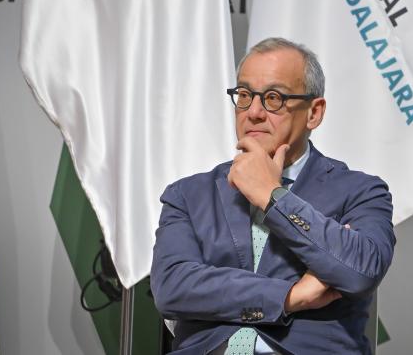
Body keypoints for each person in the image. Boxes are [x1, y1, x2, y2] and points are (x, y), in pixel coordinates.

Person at [151, 37, 395, 355]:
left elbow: (360, 271)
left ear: (314, 112)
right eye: (244, 95)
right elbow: (173, 287)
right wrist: (290, 296)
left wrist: (271, 195)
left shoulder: (360, 191)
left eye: (273, 98)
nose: (253, 112)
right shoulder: (188, 194)